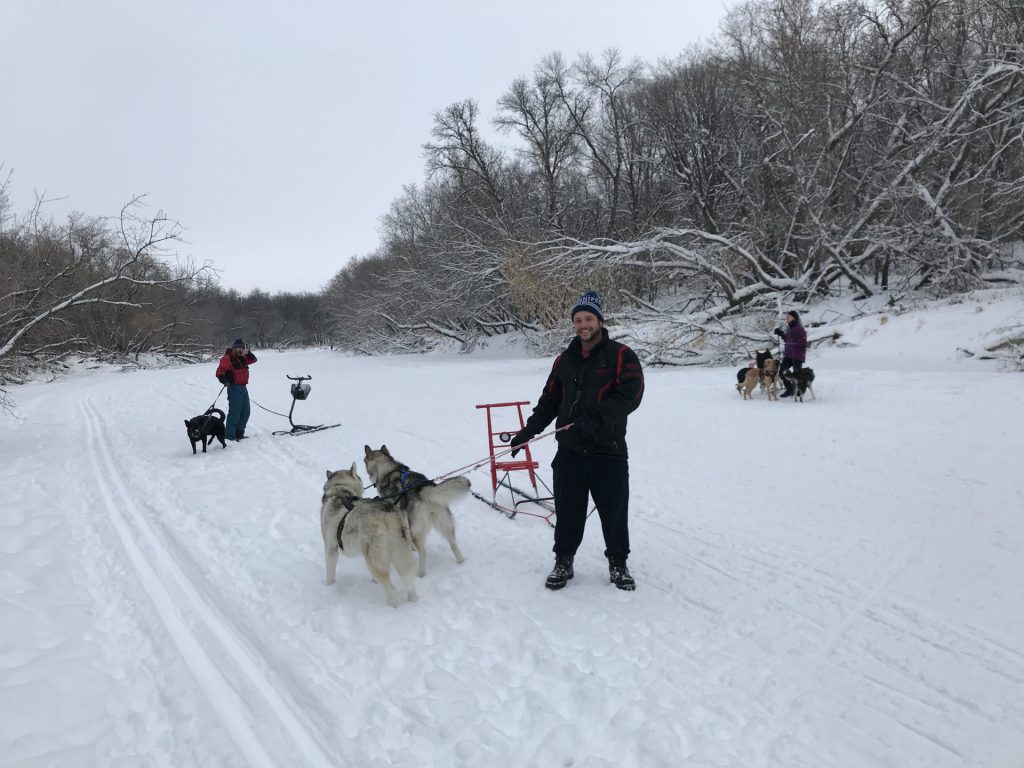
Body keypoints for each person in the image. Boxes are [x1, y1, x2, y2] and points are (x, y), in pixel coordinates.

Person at [509, 290, 645, 591]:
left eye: (588, 318)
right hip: (570, 451)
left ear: (599, 320)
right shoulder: (564, 360)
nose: (583, 324)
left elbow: (631, 396)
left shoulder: (621, 355)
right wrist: (527, 432)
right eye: (578, 320)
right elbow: (549, 401)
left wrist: (596, 419)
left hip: (608, 451)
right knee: (569, 511)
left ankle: (618, 562)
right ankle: (564, 560)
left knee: (613, 511)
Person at [215, 338, 257, 440]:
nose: (240, 350)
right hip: (234, 388)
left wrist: (247, 353)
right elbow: (219, 372)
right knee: (235, 412)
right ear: (233, 348)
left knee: (245, 412)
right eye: (238, 347)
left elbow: (254, 360)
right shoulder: (227, 358)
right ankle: (230, 436)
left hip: (243, 387)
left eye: (242, 348)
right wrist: (225, 380)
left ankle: (239, 433)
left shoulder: (242, 357)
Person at [774, 310, 807, 398]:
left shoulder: (799, 328)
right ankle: (790, 390)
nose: (786, 317)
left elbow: (803, 342)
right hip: (788, 355)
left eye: (788, 316)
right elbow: (788, 339)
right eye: (787, 316)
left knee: (797, 374)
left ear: (794, 317)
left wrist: (796, 343)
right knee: (782, 372)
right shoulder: (790, 328)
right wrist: (781, 333)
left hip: (797, 355)